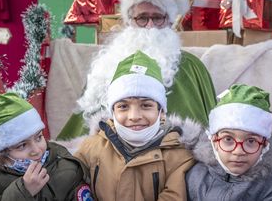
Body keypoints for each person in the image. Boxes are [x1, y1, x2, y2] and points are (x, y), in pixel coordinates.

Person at [57, 0, 217, 140]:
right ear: (129, 22)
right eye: (142, 18)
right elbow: (82, 135)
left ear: (169, 21)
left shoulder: (191, 66)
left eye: (157, 18)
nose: (150, 26)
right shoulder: (106, 66)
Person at [74, 51, 195, 200]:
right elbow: (73, 186)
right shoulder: (92, 148)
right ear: (112, 112)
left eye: (146, 105)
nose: (134, 116)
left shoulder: (179, 156)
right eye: (123, 107)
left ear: (161, 111)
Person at [0, 93, 92, 200]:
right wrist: (24, 191)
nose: (36, 150)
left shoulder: (65, 164)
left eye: (39, 137)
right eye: (22, 145)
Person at [186, 84, 272, 200]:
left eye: (251, 141)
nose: (238, 151)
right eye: (228, 139)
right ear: (214, 140)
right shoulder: (196, 176)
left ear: (265, 145)